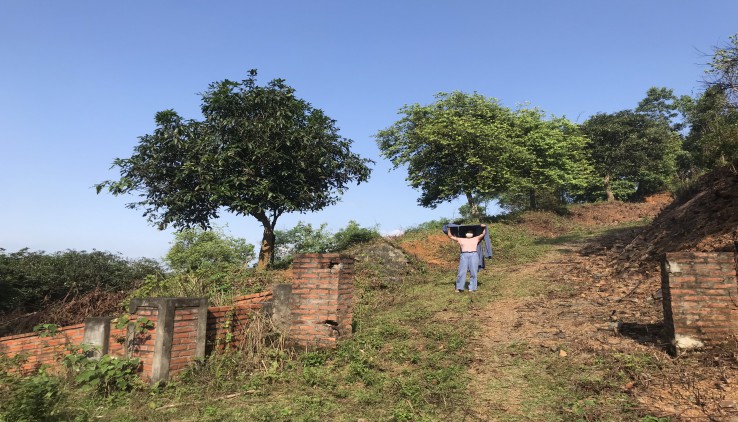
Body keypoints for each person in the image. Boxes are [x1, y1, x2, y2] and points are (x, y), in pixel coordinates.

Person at [447, 224, 487, 292]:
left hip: (473, 255)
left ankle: (472, 287)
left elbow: (483, 234)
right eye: (468, 232)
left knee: (473, 272)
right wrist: (449, 229)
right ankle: (459, 287)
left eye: (471, 232)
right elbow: (450, 236)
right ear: (465, 234)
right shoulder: (461, 239)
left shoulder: (476, 238)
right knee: (461, 271)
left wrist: (484, 228)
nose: (469, 233)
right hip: (464, 255)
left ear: (473, 234)